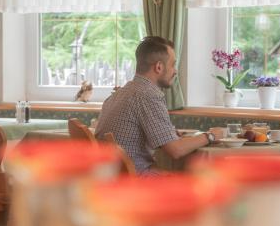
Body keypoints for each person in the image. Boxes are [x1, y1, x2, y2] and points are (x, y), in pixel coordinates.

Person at [95, 36, 224, 175]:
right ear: (158, 67)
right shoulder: (148, 94)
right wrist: (210, 136)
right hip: (136, 180)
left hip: (111, 177)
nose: (175, 71)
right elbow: (176, 150)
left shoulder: (122, 92)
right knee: (201, 183)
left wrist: (168, 135)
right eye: (173, 65)